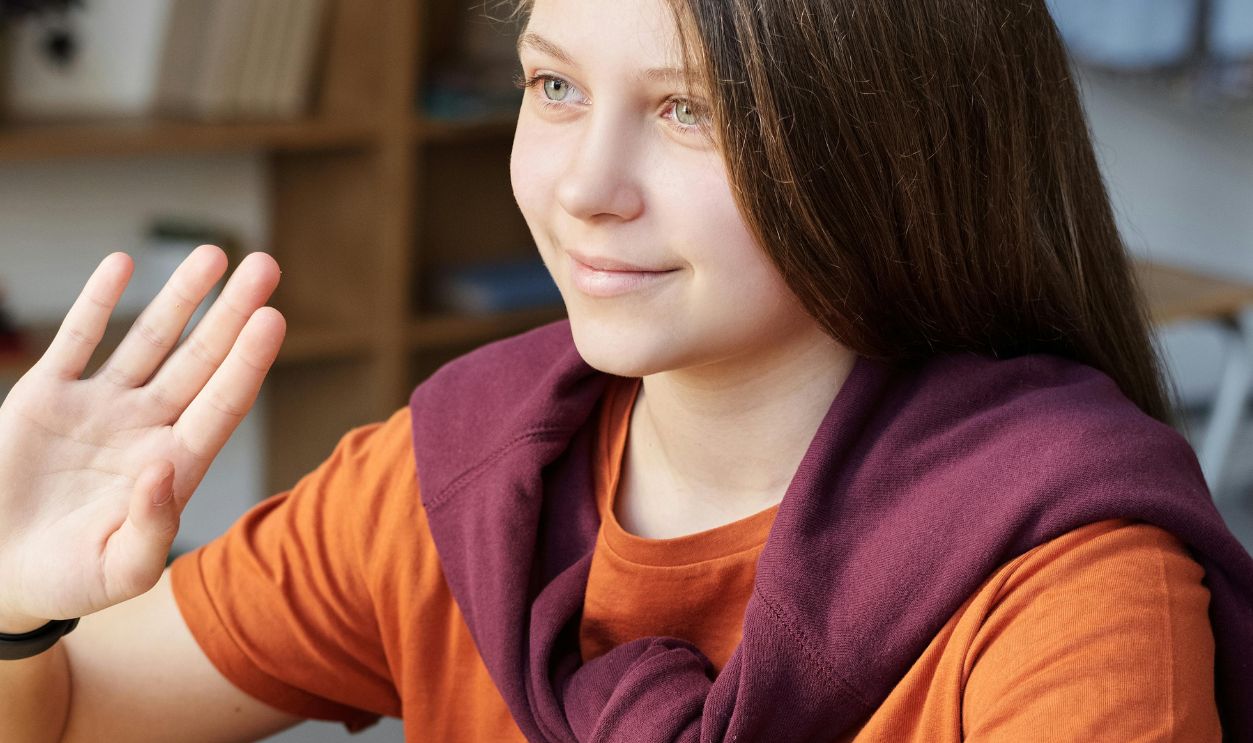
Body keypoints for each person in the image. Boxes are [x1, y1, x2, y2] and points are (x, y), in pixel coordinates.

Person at [2, 0, 1252, 741]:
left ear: (891, 150)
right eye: (552, 87)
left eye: (688, 110)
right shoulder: (458, 478)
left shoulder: (1072, 587)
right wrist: (13, 602)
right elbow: (60, 712)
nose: (582, 189)